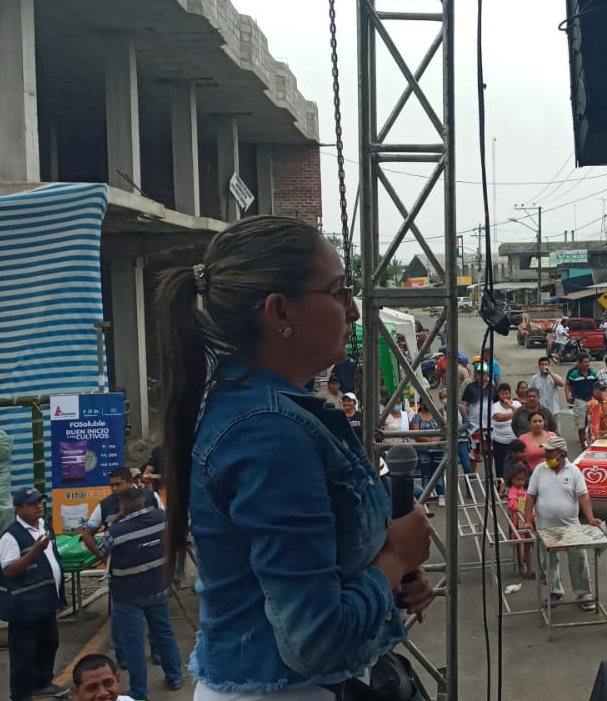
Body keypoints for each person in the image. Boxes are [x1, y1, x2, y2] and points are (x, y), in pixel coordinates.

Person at [154, 216, 432, 697]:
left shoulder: (262, 409)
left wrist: (382, 576)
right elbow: (317, 639)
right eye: (339, 291)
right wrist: (394, 559)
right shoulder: (269, 432)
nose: (354, 310)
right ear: (279, 311)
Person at [97, 489, 183, 699]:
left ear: (122, 506)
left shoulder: (116, 531)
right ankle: (175, 678)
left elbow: (102, 550)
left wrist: (115, 522)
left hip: (128, 596)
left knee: (133, 644)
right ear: (143, 502)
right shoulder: (162, 518)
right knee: (164, 633)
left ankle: (139, 692)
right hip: (158, 588)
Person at [0, 488, 65, 701]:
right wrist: (35, 552)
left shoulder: (45, 525)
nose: (38, 506)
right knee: (23, 653)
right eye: (32, 503)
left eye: (40, 501)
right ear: (19, 509)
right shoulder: (10, 536)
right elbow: (9, 570)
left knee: (50, 642)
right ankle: (20, 694)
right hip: (24, 605)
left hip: (46, 600)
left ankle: (42, 683)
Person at [521, 436, 601, 611]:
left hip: (570, 526)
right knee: (549, 561)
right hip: (545, 527)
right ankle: (554, 591)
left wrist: (590, 518)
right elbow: (530, 496)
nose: (546, 455)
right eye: (546, 451)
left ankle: (583, 593)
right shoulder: (540, 470)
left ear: (562, 454)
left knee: (578, 560)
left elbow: (583, 496)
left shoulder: (574, 472)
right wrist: (527, 520)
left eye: (550, 452)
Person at [81, 467, 159, 560]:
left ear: (130, 482)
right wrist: (105, 560)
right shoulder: (104, 506)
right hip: (124, 563)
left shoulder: (151, 496)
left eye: (118, 484)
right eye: (111, 485)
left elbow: (165, 524)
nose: (114, 489)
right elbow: (87, 535)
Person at [462, 366, 498, 472]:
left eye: (484, 373)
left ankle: (489, 474)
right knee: (473, 455)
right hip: (474, 427)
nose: (481, 375)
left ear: (488, 375)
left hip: (490, 426)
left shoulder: (492, 388)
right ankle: (472, 477)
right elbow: (465, 404)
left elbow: (497, 404)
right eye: (479, 373)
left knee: (489, 453)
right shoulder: (470, 387)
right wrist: (466, 419)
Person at [411, 398, 446, 507]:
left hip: (438, 449)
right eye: (425, 402)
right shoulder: (416, 417)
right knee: (425, 473)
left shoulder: (438, 416)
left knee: (438, 473)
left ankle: (441, 495)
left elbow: (445, 429)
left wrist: (437, 438)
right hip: (423, 449)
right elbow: (415, 433)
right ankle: (426, 495)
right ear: (421, 404)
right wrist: (428, 440)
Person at [504, 465, 533, 578]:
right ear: (512, 480)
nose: (521, 482)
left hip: (526, 519)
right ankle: (520, 563)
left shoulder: (525, 490)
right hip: (518, 521)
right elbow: (511, 503)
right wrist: (519, 509)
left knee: (527, 543)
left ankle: (528, 566)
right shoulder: (513, 491)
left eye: (522, 479)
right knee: (519, 543)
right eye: (518, 479)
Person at [565, 355, 598, 448]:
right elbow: (570, 387)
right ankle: (583, 444)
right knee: (581, 424)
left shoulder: (593, 374)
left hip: (591, 400)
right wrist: (572, 396)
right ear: (579, 363)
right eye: (585, 362)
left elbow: (596, 387)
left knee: (593, 422)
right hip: (580, 401)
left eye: (588, 362)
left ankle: (593, 441)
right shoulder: (573, 375)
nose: (587, 364)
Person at [489, 384, 522, 478]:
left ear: (510, 393)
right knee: (500, 466)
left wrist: (511, 406)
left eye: (506, 393)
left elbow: (521, 414)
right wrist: (514, 414)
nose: (504, 396)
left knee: (516, 465)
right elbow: (499, 418)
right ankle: (501, 484)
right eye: (502, 394)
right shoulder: (495, 406)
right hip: (500, 441)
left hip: (514, 440)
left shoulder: (516, 404)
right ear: (499, 395)